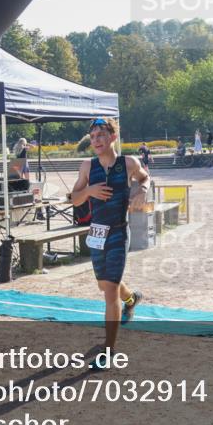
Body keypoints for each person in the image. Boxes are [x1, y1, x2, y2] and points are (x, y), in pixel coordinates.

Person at [70, 117, 149, 369]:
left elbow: (144, 177)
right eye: (92, 137)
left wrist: (142, 189)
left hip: (117, 232)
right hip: (96, 233)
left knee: (109, 293)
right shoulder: (86, 166)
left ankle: (108, 351)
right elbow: (74, 199)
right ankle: (131, 299)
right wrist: (89, 191)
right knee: (106, 287)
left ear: (113, 137)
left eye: (101, 135)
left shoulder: (128, 163)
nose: (96, 140)